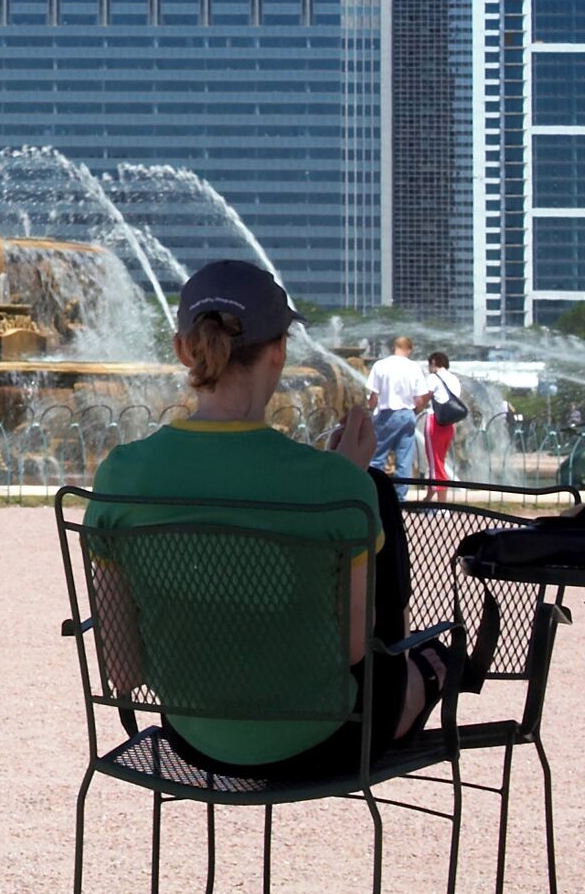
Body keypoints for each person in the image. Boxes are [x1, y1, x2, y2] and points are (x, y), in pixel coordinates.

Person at [88, 262, 469, 783]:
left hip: (195, 739)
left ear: (182, 350)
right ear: (280, 351)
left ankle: (431, 667)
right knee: (381, 507)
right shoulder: (336, 488)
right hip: (327, 741)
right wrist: (349, 479)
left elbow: (123, 670)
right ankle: (433, 669)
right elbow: (356, 649)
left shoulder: (120, 475)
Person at [365, 335, 428, 481]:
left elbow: (374, 395)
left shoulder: (380, 365)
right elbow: (420, 399)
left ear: (394, 347)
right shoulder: (414, 367)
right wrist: (414, 412)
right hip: (407, 415)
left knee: (377, 457)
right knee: (404, 460)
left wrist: (370, 411)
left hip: (387, 414)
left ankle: (377, 492)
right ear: (409, 350)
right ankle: (401, 499)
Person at [419, 349, 471, 488]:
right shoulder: (454, 379)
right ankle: (430, 499)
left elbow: (425, 398)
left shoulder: (433, 378)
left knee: (434, 462)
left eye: (429, 365)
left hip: (434, 421)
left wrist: (415, 408)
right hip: (448, 424)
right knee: (439, 460)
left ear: (434, 362)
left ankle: (441, 504)